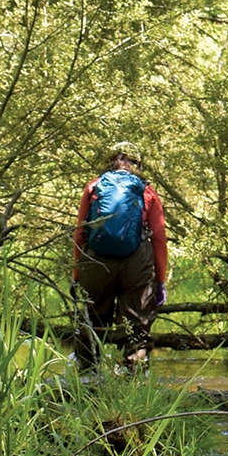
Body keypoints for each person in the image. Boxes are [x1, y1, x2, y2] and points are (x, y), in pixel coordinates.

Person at [73, 141, 169, 373]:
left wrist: (77, 273)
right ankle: (134, 381)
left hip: (96, 262)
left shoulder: (94, 187)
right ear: (138, 165)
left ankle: (87, 380)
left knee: (90, 321)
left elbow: (80, 232)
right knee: (136, 326)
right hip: (137, 261)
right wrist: (160, 280)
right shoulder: (147, 192)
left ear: (110, 162)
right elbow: (159, 237)